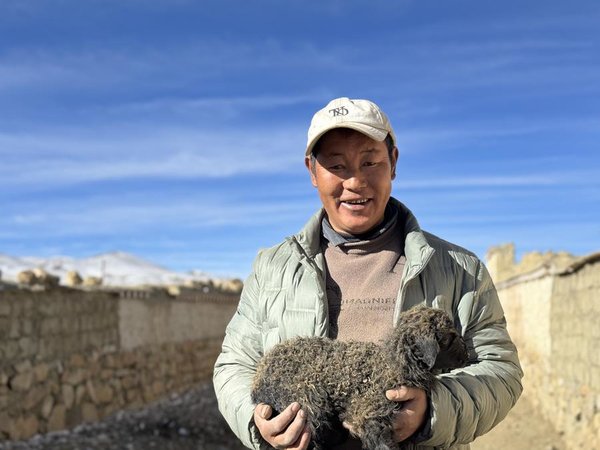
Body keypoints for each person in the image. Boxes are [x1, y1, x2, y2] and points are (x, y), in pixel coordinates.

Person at [213, 97, 523, 450]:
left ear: (393, 163)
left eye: (370, 161)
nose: (355, 181)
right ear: (312, 171)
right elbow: (234, 365)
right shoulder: (273, 267)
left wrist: (431, 412)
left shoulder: (458, 268)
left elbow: (501, 372)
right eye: (336, 165)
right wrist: (258, 421)